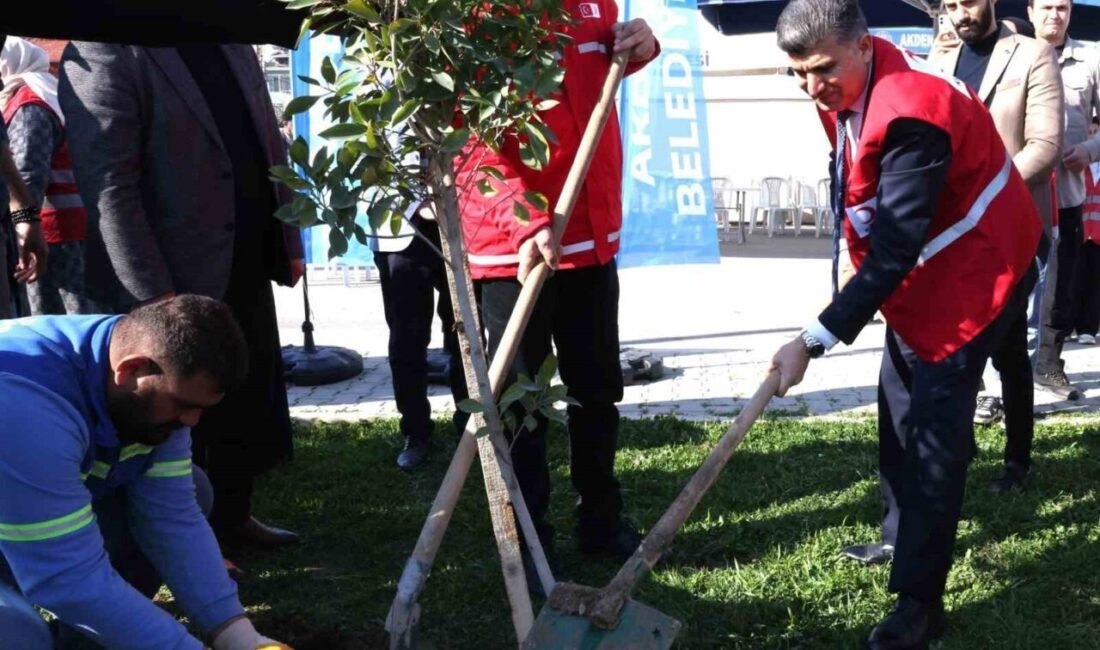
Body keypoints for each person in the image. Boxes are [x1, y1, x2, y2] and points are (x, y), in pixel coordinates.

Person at [772, 1, 1041, 648]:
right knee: (897, 404)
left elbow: (896, 247)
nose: (811, 86)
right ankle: (900, 537)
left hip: (980, 272)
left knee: (933, 438)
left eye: (822, 69)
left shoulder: (912, 112)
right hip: (927, 272)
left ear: (864, 46)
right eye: (798, 73)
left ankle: (920, 603)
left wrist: (813, 339)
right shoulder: (852, 84)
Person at [59, 43, 304, 550]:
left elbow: (269, 144)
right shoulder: (103, 48)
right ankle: (181, 538)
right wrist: (152, 294)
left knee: (241, 397)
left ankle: (234, 516)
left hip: (244, 261)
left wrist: (289, 239)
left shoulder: (229, 40)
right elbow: (108, 183)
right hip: (169, 278)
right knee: (179, 414)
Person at [457, 0, 659, 569]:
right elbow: (466, 143)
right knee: (520, 401)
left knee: (597, 388)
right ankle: (527, 535)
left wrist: (640, 45)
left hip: (589, 235)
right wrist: (524, 220)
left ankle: (601, 521)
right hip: (514, 249)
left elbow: (599, 72)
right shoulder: (475, 16)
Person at [0, 295, 291, 650]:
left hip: (20, 502)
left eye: (200, 409)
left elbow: (171, 515)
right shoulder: (24, 406)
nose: (191, 421)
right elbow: (66, 577)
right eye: (183, 405)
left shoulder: (147, 367)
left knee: (194, 487)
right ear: (130, 370)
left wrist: (240, 636)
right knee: (20, 637)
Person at [933, 0, 1064, 493]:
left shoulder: (1033, 54)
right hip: (952, 231)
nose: (959, 14)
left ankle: (1016, 460)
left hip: (1012, 225)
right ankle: (963, 447)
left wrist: (984, 196)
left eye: (967, 3)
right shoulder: (940, 59)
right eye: (950, 6)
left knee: (1001, 343)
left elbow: (1045, 146)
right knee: (964, 339)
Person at [1030, 0, 1100, 399]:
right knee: (1007, 283)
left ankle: (1048, 365)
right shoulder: (1012, 54)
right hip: (1016, 191)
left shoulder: (1091, 59)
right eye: (1046, 7)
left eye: (1062, 7)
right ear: (1030, 11)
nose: (1054, 15)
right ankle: (996, 365)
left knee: (1060, 284)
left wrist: (1089, 150)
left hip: (1066, 194)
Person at [371, 201, 468, 471]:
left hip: (461, 223)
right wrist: (417, 202)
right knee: (406, 339)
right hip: (399, 228)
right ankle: (415, 432)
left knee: (464, 334)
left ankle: (470, 425)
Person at [1, 37, 88, 315]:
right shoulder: (54, 93)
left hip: (48, 233)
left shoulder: (29, 105)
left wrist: (22, 224)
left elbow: (27, 173)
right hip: (73, 227)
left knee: (50, 318)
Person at [1077, 118, 1100, 344]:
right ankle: (1069, 325)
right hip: (1081, 232)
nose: (1092, 135)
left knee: (1094, 283)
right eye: (1089, 131)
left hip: (1098, 235)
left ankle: (1088, 329)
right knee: (1074, 280)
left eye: (1096, 131)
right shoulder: (1079, 167)